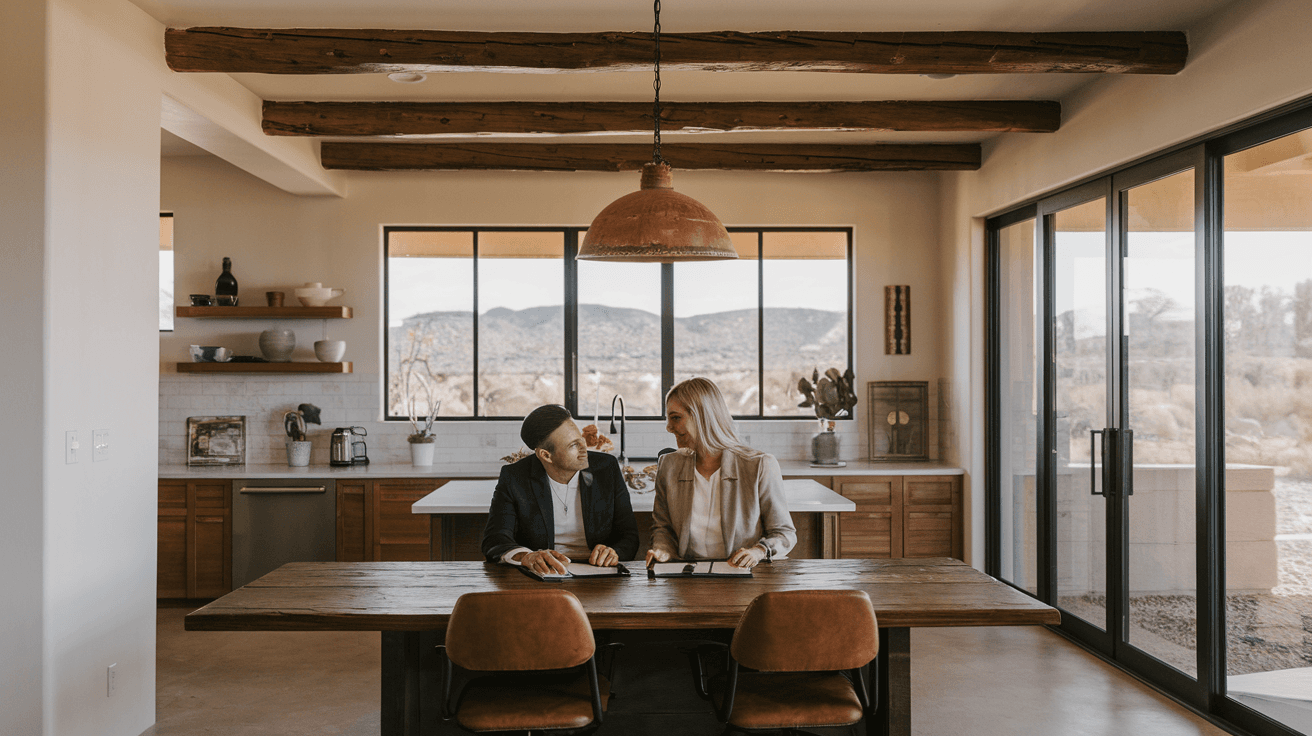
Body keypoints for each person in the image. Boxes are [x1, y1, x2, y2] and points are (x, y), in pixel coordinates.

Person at [646, 377, 796, 568]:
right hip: (687, 578)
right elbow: (663, 529)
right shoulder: (668, 465)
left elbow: (784, 533)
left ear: (702, 416)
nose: (669, 427)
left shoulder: (760, 465)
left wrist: (757, 552)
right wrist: (663, 551)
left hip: (740, 576)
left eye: (676, 418)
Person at [482, 404, 639, 575]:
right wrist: (527, 556)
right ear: (546, 455)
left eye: (581, 439)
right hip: (543, 576)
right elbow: (495, 540)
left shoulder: (606, 468)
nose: (584, 448)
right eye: (573, 445)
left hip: (599, 574)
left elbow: (628, 535)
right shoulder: (515, 477)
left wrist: (614, 552)